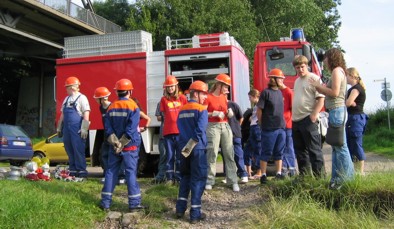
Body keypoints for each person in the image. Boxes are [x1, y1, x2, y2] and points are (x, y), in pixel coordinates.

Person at [309, 48, 354, 190]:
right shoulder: (341, 71)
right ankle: (336, 179)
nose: (325, 61)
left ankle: (345, 180)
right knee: (337, 147)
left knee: (340, 147)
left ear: (331, 58)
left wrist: (318, 87)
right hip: (338, 111)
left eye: (326, 58)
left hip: (337, 110)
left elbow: (334, 93)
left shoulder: (336, 71)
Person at [100, 79, 145, 212]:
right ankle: (134, 204)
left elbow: (108, 130)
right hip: (130, 146)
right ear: (130, 91)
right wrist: (122, 144)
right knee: (130, 173)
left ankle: (105, 203)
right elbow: (131, 130)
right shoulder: (133, 106)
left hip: (114, 148)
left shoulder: (111, 107)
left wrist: (116, 144)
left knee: (110, 172)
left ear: (117, 92)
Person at [175, 80, 209, 224]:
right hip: (197, 149)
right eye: (203, 94)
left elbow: (179, 128)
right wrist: (192, 145)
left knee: (185, 177)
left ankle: (180, 209)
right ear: (195, 93)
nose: (205, 97)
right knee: (198, 179)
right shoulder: (202, 109)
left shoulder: (182, 110)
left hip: (183, 149)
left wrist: (186, 146)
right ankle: (195, 214)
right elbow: (200, 130)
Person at [292, 55, 325, 178]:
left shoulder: (314, 78)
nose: (300, 70)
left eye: (302, 67)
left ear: (307, 66)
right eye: (297, 67)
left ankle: (319, 178)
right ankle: (305, 177)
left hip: (308, 118)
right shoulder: (297, 81)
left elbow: (321, 99)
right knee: (300, 152)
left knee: (314, 151)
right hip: (296, 120)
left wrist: (314, 114)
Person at [204, 73, 240, 192]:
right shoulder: (208, 97)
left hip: (225, 125)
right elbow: (202, 113)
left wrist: (229, 112)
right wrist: (212, 113)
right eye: (226, 86)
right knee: (212, 153)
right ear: (219, 84)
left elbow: (225, 111)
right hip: (213, 126)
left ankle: (233, 181)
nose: (227, 88)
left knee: (229, 153)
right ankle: (209, 181)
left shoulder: (224, 97)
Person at [57, 76, 90, 179]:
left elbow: (86, 113)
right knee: (69, 148)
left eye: (67, 87)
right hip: (67, 128)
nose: (66, 89)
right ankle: (72, 170)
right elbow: (62, 114)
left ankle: (81, 171)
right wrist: (59, 127)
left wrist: (84, 128)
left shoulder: (82, 98)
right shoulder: (66, 99)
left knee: (78, 149)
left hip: (77, 129)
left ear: (72, 87)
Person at [256, 69, 286, 184]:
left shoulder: (280, 92)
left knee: (279, 152)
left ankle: (278, 173)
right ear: (274, 79)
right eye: (280, 78)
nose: (282, 80)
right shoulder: (265, 92)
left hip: (280, 128)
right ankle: (263, 175)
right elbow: (259, 109)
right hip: (269, 128)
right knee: (266, 152)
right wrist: (261, 123)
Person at [160, 75, 188, 184]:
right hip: (168, 132)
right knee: (170, 156)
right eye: (168, 87)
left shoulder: (183, 98)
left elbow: (186, 113)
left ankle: (179, 177)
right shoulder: (163, 100)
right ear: (166, 88)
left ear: (176, 86)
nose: (170, 88)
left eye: (172, 86)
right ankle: (170, 178)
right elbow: (163, 115)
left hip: (180, 132)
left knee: (180, 156)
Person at [345, 67, 368, 175]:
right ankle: (356, 172)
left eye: (347, 75)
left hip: (355, 118)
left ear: (352, 76)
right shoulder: (356, 88)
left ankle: (360, 172)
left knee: (356, 144)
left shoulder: (355, 89)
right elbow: (351, 103)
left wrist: (346, 101)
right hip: (355, 118)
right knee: (352, 144)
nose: (346, 78)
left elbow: (348, 103)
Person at [278, 76, 297, 177]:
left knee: (288, 146)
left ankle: (291, 168)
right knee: (281, 147)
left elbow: (293, 108)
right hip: (278, 125)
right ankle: (284, 169)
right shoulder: (277, 92)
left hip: (287, 124)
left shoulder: (288, 92)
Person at [227, 99, 249, 183]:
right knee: (227, 154)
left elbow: (241, 118)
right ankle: (229, 176)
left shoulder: (233, 104)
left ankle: (243, 174)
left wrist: (236, 127)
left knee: (238, 153)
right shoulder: (232, 104)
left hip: (235, 133)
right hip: (224, 133)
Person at [93, 87, 112, 183]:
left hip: (113, 135)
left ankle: (114, 176)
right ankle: (106, 174)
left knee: (112, 155)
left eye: (97, 98)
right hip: (106, 134)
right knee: (104, 154)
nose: (95, 100)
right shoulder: (101, 108)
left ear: (102, 98)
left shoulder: (112, 107)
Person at [243, 89, 262, 179]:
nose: (249, 99)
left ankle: (259, 172)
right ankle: (249, 171)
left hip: (257, 128)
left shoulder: (260, 105)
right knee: (247, 150)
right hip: (253, 127)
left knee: (257, 149)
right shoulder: (255, 106)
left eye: (250, 97)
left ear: (255, 96)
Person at [151, 101, 167, 184]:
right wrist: (169, 115)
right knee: (163, 156)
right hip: (163, 134)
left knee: (175, 157)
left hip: (176, 133)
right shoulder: (161, 103)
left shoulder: (179, 101)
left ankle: (173, 177)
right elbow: (158, 117)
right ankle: (160, 177)